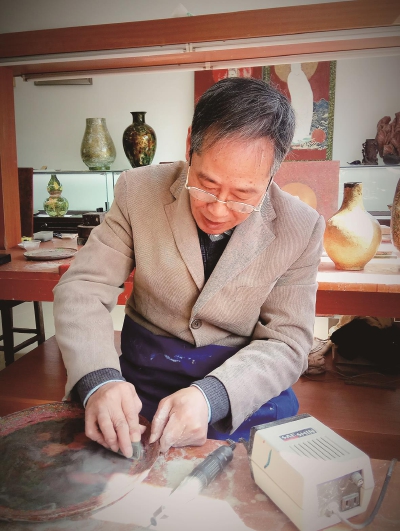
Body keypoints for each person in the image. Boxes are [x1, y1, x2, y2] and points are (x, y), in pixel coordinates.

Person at [53, 77, 325, 459]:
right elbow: (83, 287)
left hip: (241, 383)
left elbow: (288, 341)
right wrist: (99, 380)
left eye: (243, 196)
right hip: (145, 377)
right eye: (206, 184)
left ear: (272, 175)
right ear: (188, 146)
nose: (218, 210)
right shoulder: (138, 191)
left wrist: (211, 396)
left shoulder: (301, 227)